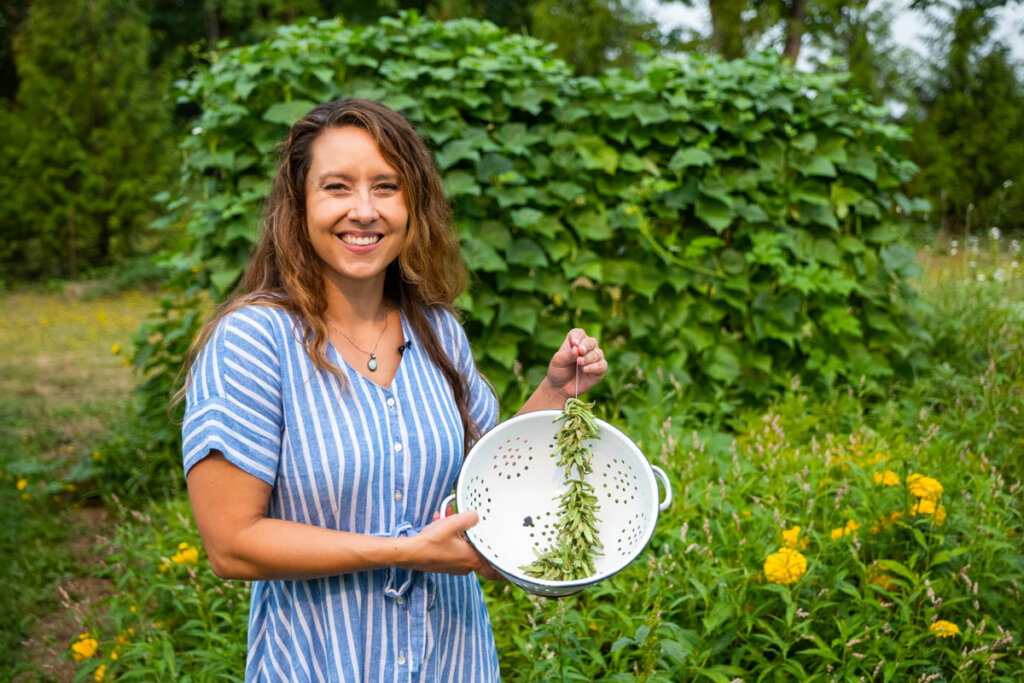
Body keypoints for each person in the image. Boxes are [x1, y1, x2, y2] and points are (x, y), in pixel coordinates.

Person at [179, 98, 608, 682]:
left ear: (413, 204)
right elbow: (231, 544)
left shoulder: (437, 331)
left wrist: (554, 393)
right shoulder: (255, 342)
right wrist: (405, 551)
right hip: (322, 665)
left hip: (454, 663)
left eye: (386, 186)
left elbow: (486, 480)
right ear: (300, 205)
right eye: (337, 187)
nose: (364, 210)